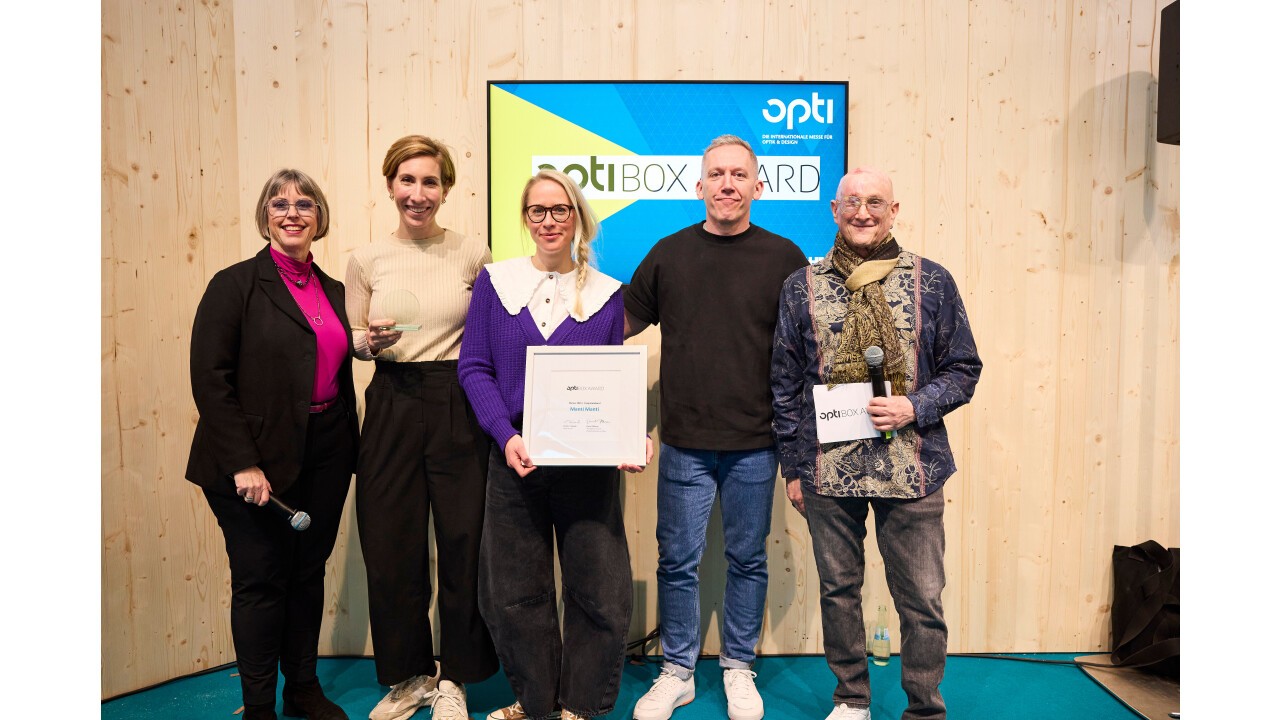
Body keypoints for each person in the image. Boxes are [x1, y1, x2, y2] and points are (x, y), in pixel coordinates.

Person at [770, 167, 982, 720]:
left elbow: (964, 368)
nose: (863, 212)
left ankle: (925, 708)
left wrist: (915, 405)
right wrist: (794, 466)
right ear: (834, 212)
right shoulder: (802, 287)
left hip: (912, 468)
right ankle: (851, 700)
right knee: (839, 593)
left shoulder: (931, 281)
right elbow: (786, 383)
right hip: (826, 470)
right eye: (852, 203)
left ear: (894, 211)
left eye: (875, 202)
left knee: (922, 601)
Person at [625, 135, 809, 720]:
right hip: (684, 442)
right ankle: (677, 671)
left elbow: (810, 350)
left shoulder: (785, 259)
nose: (727, 183)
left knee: (748, 559)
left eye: (738, 174)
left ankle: (737, 667)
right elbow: (617, 327)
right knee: (676, 559)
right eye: (716, 174)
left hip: (758, 443)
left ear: (758, 186)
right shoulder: (668, 254)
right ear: (698, 186)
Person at [458, 169, 652, 720]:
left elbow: (612, 380)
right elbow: (474, 368)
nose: (549, 221)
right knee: (515, 593)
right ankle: (536, 703)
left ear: (578, 218)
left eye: (560, 210)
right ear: (525, 218)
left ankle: (581, 706)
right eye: (538, 211)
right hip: (515, 460)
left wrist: (627, 434)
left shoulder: (606, 295)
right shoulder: (495, 286)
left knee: (599, 590)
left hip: (587, 469)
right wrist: (506, 434)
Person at [187, 169, 359, 720]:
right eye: (280, 203)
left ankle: (303, 688)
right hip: (252, 463)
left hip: (325, 451)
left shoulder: (333, 290)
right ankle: (259, 704)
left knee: (307, 575)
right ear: (265, 215)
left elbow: (329, 363)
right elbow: (211, 381)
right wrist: (243, 463)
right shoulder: (233, 285)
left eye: (305, 203)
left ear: (319, 217)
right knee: (262, 581)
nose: (292, 212)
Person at [346, 135, 499, 720]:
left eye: (430, 182)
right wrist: (368, 342)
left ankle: (456, 678)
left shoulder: (472, 255)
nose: (418, 193)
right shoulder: (365, 259)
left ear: (446, 189)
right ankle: (409, 677)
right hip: (390, 400)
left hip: (457, 399)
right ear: (390, 186)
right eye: (407, 181)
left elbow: (485, 339)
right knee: (390, 545)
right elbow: (353, 340)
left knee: (463, 543)